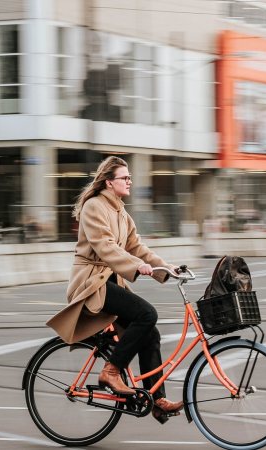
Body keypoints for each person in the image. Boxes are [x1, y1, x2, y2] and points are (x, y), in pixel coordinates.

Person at [46, 156, 184, 423]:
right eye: (125, 177)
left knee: (150, 334)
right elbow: (106, 247)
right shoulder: (94, 207)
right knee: (147, 314)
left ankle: (157, 400)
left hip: (109, 282)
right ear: (109, 182)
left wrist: (167, 268)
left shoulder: (121, 211)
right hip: (91, 282)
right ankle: (111, 371)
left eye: (130, 177)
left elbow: (137, 247)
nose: (130, 181)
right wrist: (136, 266)